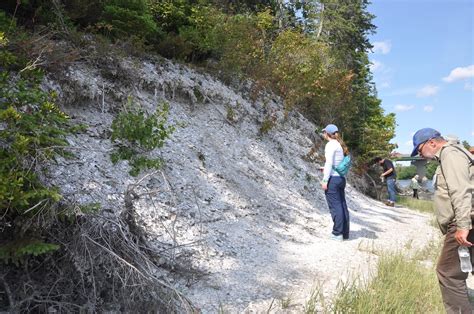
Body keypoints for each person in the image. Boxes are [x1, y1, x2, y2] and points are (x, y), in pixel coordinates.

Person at [411, 127, 474, 313]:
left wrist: (462, 226)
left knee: (448, 273)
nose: (421, 156)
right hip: (467, 218)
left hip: (462, 221)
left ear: (432, 142)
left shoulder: (449, 154)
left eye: (420, 150)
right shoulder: (456, 152)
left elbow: (460, 191)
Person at [321, 124, 350, 241]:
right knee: (342, 205)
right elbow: (335, 164)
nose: (323, 134)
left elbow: (328, 163)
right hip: (341, 179)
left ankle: (337, 233)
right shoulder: (339, 145)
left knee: (335, 206)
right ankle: (345, 233)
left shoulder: (330, 145)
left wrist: (324, 180)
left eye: (324, 132)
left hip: (333, 179)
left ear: (327, 133)